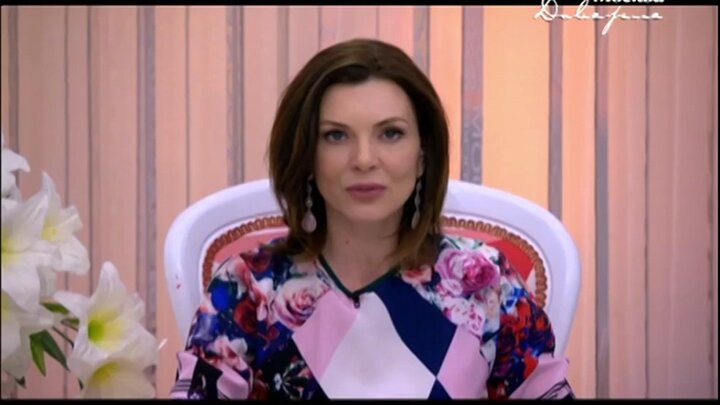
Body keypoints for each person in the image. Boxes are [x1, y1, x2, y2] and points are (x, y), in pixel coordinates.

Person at [170, 38, 574, 400]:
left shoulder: (486, 281)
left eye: (390, 133)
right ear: (306, 155)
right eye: (336, 135)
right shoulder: (249, 288)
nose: (364, 160)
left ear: (423, 155)